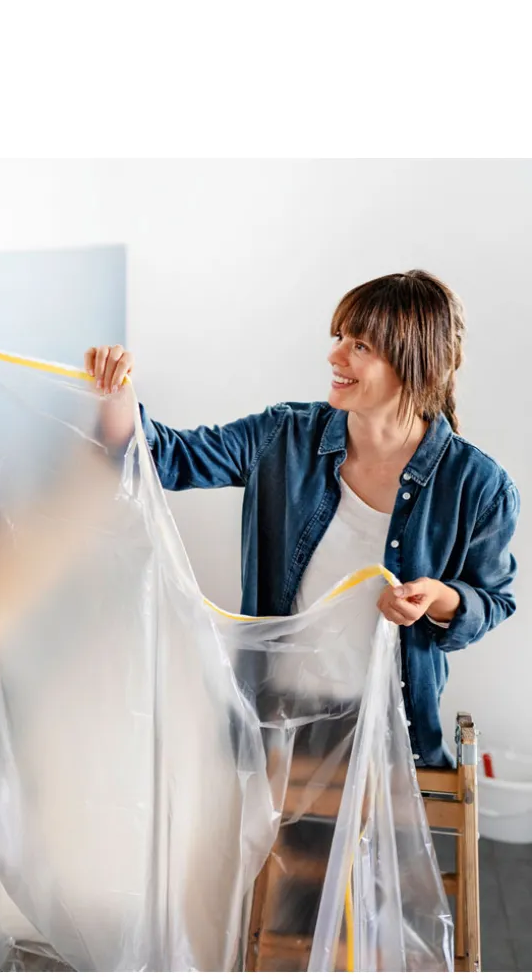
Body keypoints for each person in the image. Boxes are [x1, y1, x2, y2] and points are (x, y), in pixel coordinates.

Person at [88, 269, 520, 768]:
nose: (335, 356)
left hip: (391, 736)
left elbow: (493, 600)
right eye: (339, 338)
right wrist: (115, 394)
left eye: (360, 346)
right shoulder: (284, 435)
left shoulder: (478, 485)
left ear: (414, 364)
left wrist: (439, 599)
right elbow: (168, 459)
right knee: (267, 825)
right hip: (276, 723)